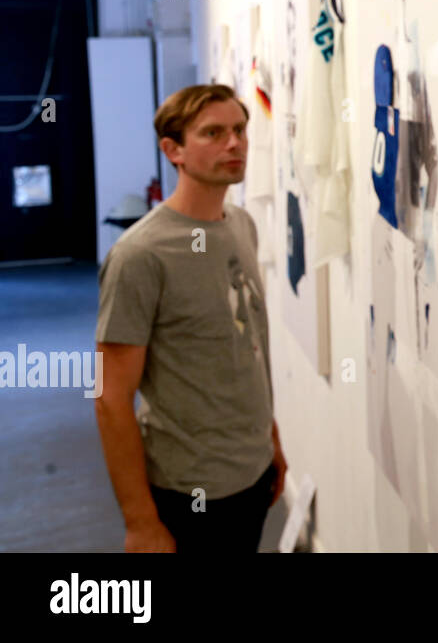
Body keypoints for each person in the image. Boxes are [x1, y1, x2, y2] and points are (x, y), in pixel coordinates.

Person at [94, 83, 287, 552]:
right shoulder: (140, 255)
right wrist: (140, 522)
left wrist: (272, 442)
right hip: (190, 491)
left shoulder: (241, 225)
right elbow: (109, 397)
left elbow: (248, 347)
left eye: (240, 130)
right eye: (213, 133)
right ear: (173, 150)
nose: (235, 143)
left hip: (252, 473)